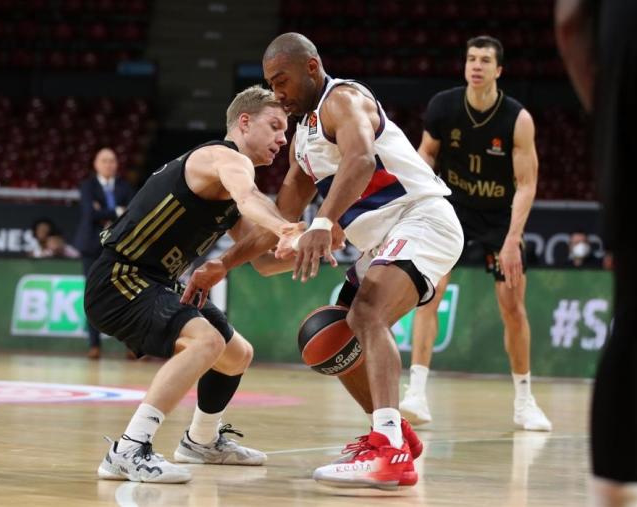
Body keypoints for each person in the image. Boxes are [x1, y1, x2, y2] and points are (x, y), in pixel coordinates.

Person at [185, 32, 464, 490]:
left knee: (368, 313)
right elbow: (276, 226)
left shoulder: (345, 99)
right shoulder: (303, 144)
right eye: (271, 85)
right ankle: (395, 433)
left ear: (311, 66)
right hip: (383, 242)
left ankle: (388, 452)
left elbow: (360, 161)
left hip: (422, 218)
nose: (278, 93)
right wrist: (225, 263)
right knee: (329, 340)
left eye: (282, 81)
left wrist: (324, 222)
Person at [85, 85, 303, 483]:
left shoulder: (229, 190)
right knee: (207, 342)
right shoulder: (221, 158)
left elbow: (265, 263)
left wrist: (304, 246)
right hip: (120, 276)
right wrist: (287, 227)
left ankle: (201, 441)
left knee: (236, 354)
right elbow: (251, 197)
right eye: (274, 126)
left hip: (159, 282)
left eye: (285, 131)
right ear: (244, 121)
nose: (281, 139)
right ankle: (129, 449)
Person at [398, 36, 552, 433]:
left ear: (498, 69)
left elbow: (527, 184)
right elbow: (426, 154)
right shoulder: (443, 106)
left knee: (511, 306)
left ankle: (524, 401)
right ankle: (415, 392)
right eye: (471, 59)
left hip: (500, 218)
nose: (476, 66)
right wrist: (419, 198)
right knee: (428, 293)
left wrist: (512, 241)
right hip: (451, 210)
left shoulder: (517, 119)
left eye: (485, 60)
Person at [556, 1, 637, 505]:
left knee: (633, 319)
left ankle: (613, 493)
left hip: (628, 97)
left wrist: (611, 112)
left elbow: (569, 20)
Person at [74, 148, 135, 359]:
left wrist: (107, 212)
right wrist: (116, 211)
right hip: (91, 247)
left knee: (125, 294)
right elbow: (90, 214)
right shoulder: (87, 186)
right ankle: (94, 345)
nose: (108, 164)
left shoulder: (125, 187)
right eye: (104, 161)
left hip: (119, 246)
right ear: (95, 164)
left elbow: (132, 213)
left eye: (112, 161)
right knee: (92, 295)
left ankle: (131, 345)